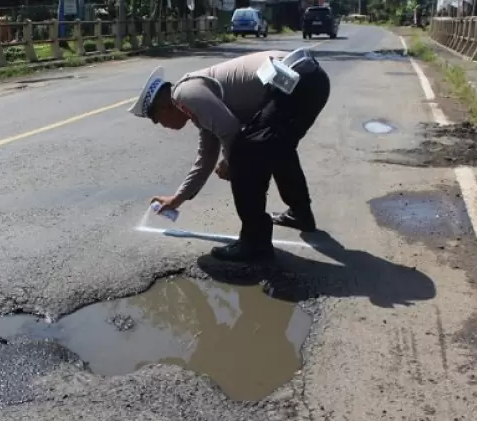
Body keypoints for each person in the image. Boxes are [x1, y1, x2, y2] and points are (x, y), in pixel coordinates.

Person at [128, 48, 331, 262]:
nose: (163, 126)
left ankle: (254, 243)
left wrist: (229, 162)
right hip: (309, 79)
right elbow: (205, 158)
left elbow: (230, 132)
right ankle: (300, 213)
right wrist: (177, 199)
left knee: (244, 156)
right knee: (276, 147)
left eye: (158, 120)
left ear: (164, 106)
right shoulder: (195, 101)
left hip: (296, 83)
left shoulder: (184, 94)